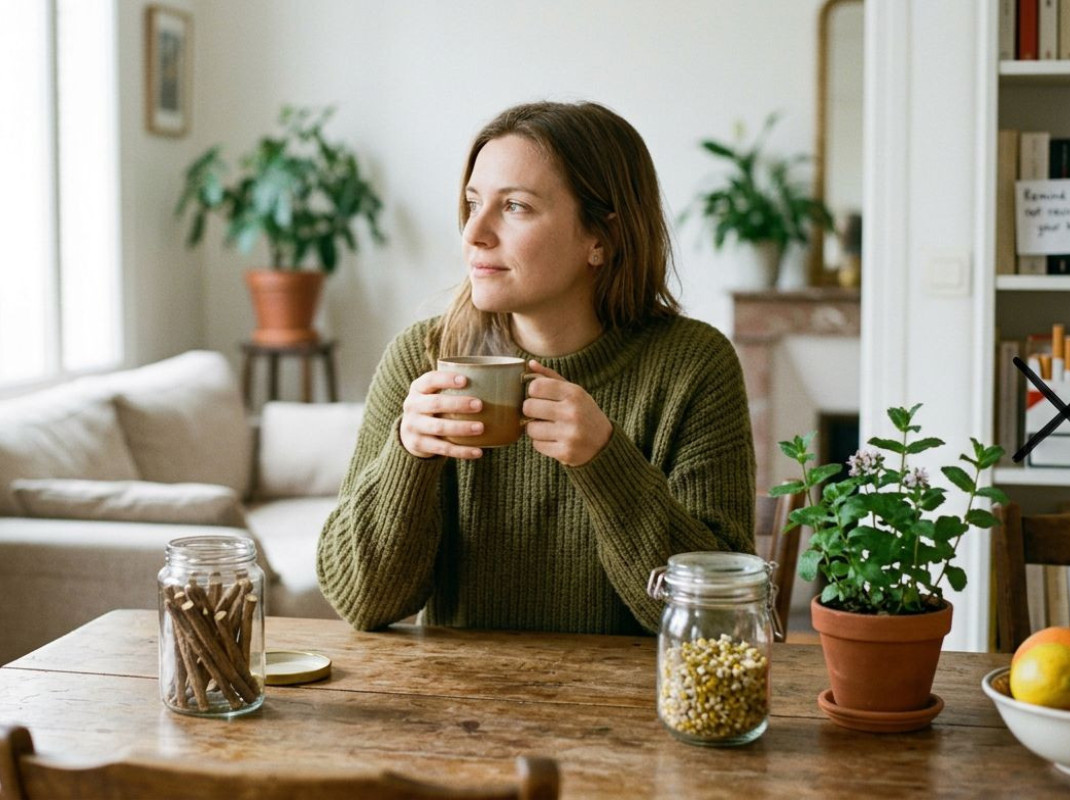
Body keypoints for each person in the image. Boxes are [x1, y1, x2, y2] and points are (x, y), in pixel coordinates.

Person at [316, 101, 755, 635]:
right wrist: (409, 456)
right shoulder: (421, 358)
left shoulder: (693, 366)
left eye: (516, 207)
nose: (474, 233)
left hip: (630, 708)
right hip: (461, 707)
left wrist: (605, 461)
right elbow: (362, 602)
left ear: (601, 238)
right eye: (472, 203)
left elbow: (719, 621)